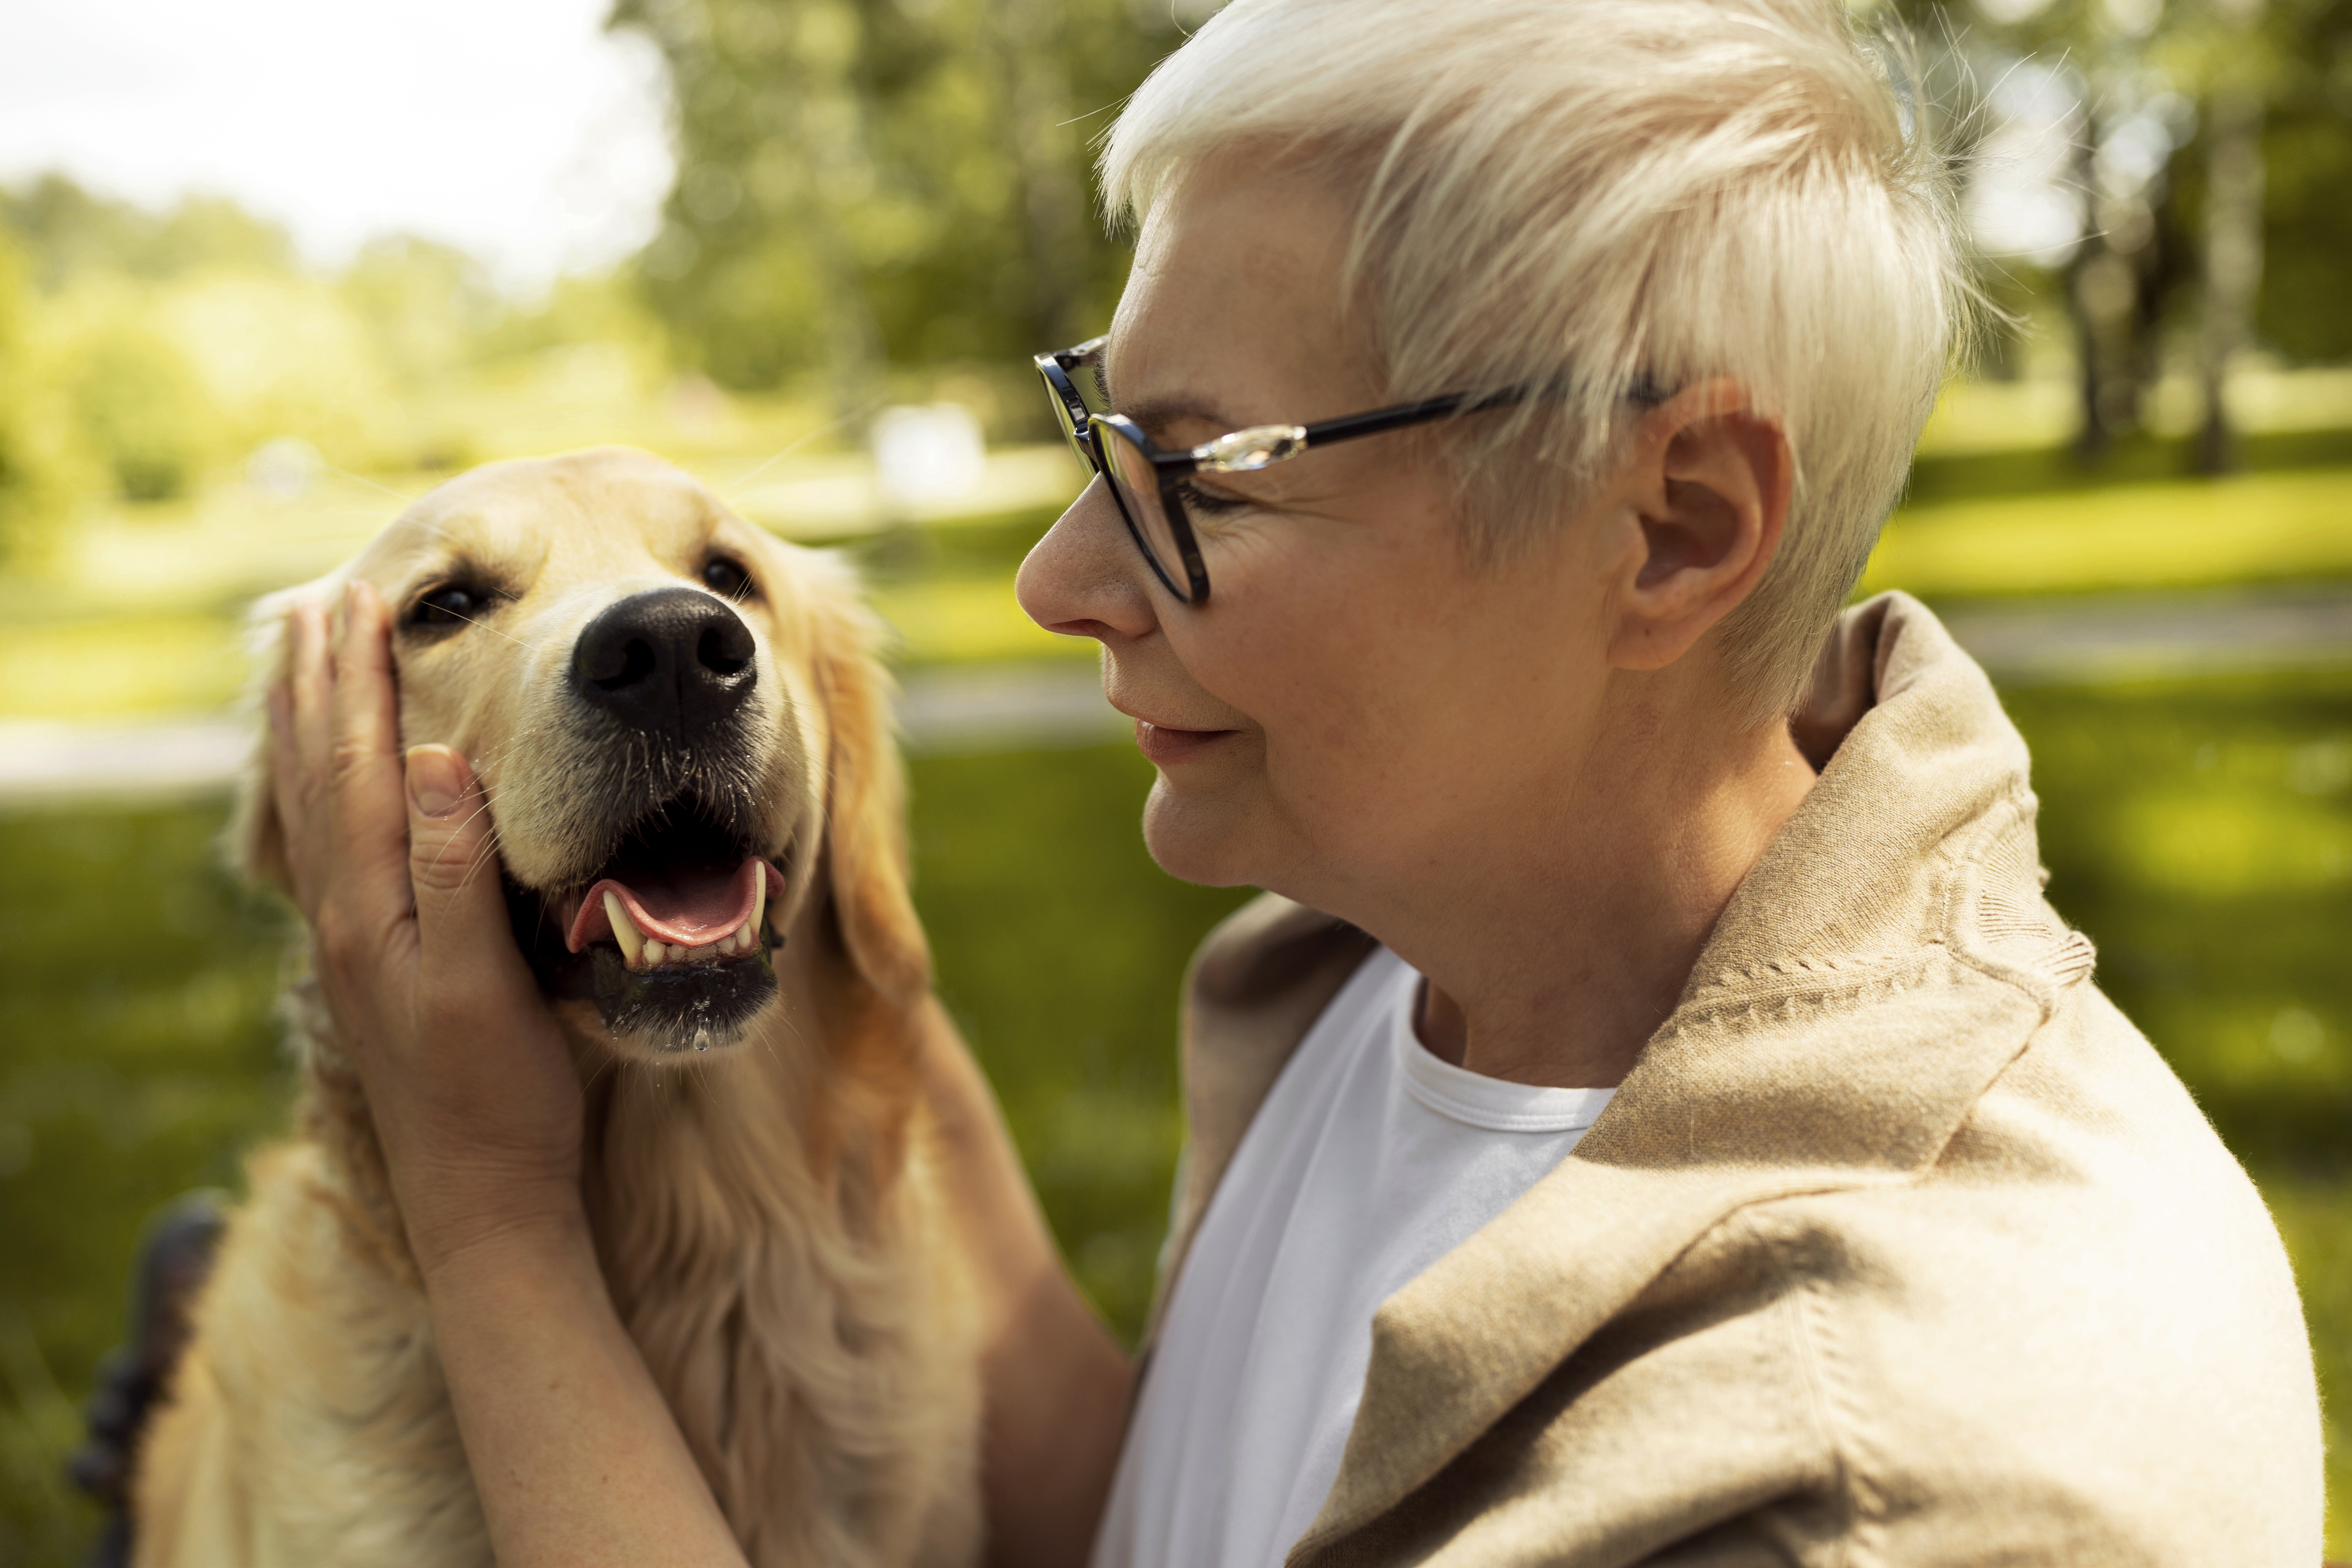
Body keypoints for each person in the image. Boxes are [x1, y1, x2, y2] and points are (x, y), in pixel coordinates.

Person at [261, 0, 2323, 1561]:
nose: (1060, 581)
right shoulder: (1412, 965)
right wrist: (809, 907)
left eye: (1200, 476)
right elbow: (1166, 1511)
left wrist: (498, 1228)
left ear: (1676, 528)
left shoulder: (1870, 1457)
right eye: (1099, 437)